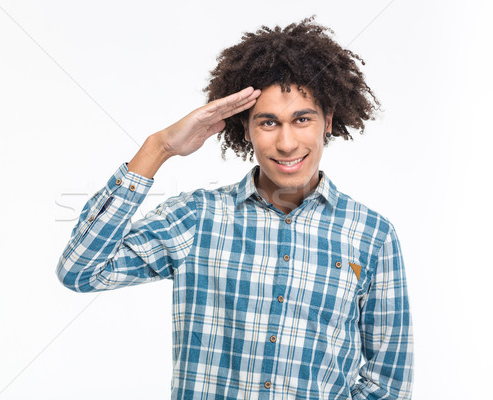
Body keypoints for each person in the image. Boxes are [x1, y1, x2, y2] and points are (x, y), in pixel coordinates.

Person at [56, 16, 413, 399]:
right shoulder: (197, 218)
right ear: (246, 129)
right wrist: (158, 148)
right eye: (268, 122)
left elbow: (386, 384)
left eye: (302, 119)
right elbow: (81, 271)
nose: (287, 143)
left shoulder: (372, 235)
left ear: (327, 121)